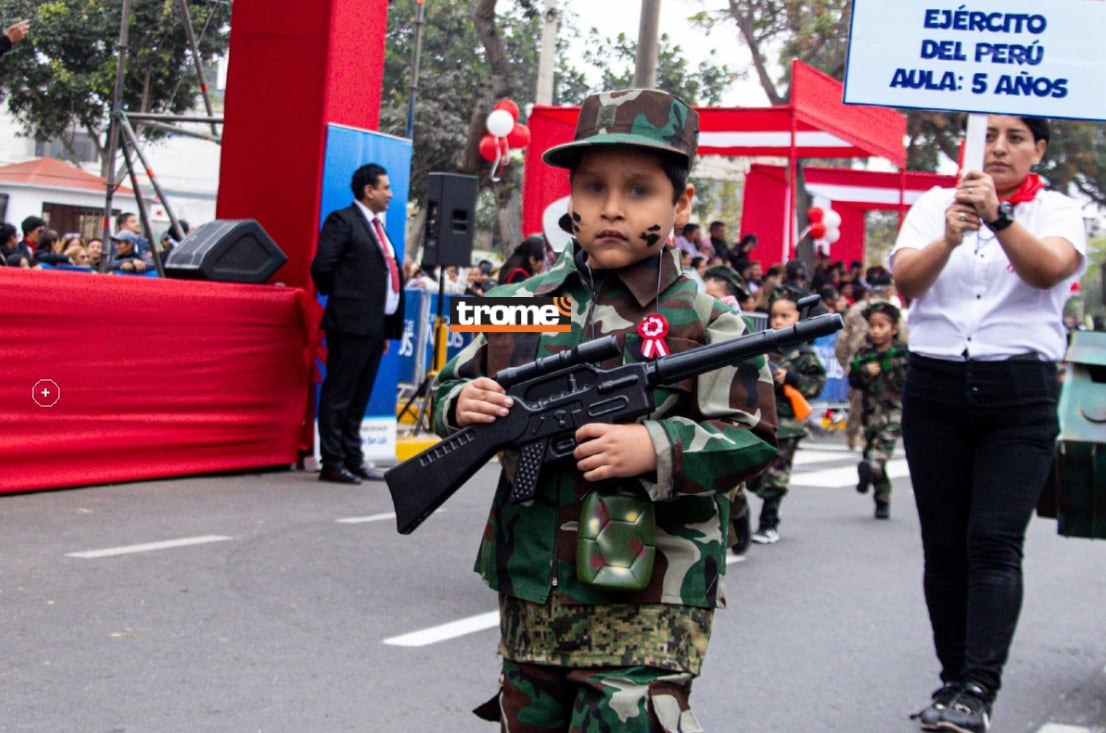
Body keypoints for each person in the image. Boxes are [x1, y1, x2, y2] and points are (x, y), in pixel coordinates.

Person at [431, 88, 777, 731]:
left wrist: (656, 447)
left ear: (681, 204)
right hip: (534, 586)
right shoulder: (519, 300)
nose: (612, 209)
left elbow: (753, 436)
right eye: (592, 188)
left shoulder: (708, 318)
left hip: (651, 596)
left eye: (639, 190)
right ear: (569, 200)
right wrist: (461, 405)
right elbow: (444, 388)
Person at [891, 115, 1086, 733]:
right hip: (936, 386)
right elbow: (904, 283)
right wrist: (948, 238)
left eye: (1015, 138)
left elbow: (1048, 271)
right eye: (989, 136)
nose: (999, 148)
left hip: (1018, 395)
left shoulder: (1056, 210)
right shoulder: (931, 205)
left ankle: (979, 685)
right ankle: (953, 679)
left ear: (1038, 150)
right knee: (943, 547)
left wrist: (999, 218)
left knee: (994, 542)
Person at [311, 163, 405, 485]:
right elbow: (323, 267)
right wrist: (348, 301)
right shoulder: (343, 221)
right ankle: (333, 462)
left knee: (359, 396)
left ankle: (353, 457)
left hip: (374, 328)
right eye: (386, 188)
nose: (391, 194)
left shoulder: (378, 228)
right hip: (350, 325)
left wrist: (383, 326)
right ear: (369, 191)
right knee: (339, 394)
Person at [746, 291, 825, 544]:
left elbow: (816, 385)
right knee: (752, 474)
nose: (778, 321)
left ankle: (768, 523)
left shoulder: (804, 354)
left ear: (798, 318)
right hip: (761, 420)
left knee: (776, 477)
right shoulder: (765, 347)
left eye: (785, 316)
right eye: (774, 316)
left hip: (788, 425)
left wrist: (790, 378)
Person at [848, 301, 907, 519]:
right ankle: (882, 498)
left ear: (893, 329)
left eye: (881, 326)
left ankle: (868, 471)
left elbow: (908, 381)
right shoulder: (864, 354)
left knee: (882, 447)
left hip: (895, 410)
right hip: (871, 413)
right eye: (872, 326)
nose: (876, 331)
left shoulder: (902, 354)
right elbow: (853, 379)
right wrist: (865, 371)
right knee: (873, 454)